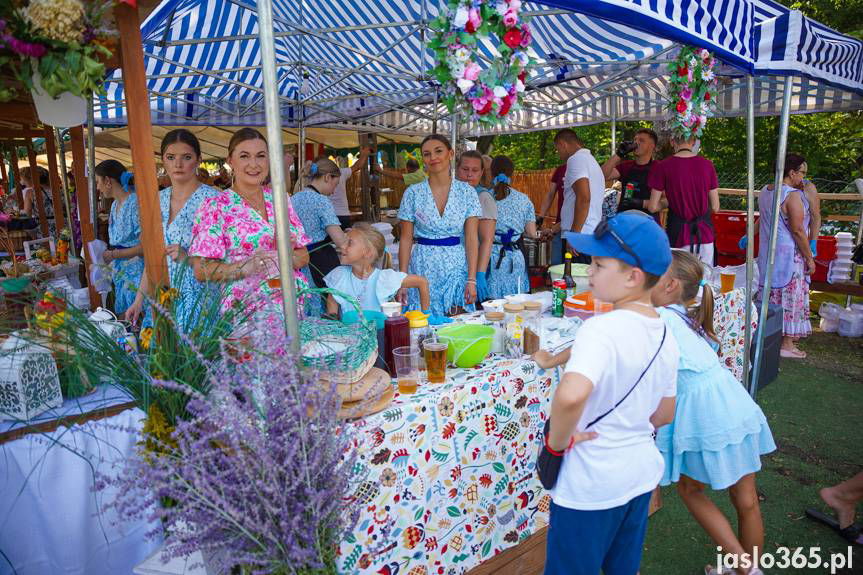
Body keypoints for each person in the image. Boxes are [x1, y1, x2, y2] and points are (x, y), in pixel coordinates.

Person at [532, 211, 679, 575]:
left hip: (591, 482)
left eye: (598, 264)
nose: (590, 271)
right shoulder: (665, 332)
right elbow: (664, 415)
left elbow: (570, 396)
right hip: (638, 474)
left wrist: (557, 442)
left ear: (633, 276)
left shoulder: (599, 330)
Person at [652, 250, 775, 575]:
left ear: (669, 285)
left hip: (709, 415)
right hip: (735, 406)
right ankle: (746, 569)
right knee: (746, 500)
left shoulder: (661, 318)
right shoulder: (682, 313)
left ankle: (746, 568)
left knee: (691, 490)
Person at [189, 128, 310, 323]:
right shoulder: (216, 206)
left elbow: (304, 255)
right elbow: (201, 270)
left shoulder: (280, 200)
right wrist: (244, 267)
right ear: (230, 161)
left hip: (290, 304)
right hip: (246, 310)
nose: (253, 164)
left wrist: (284, 257)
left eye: (260, 156)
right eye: (244, 156)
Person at [125, 129, 220, 328]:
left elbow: (226, 257)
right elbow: (153, 256)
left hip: (201, 299)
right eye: (171, 157)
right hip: (163, 296)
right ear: (163, 160)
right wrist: (139, 299)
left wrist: (189, 257)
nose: (178, 164)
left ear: (198, 160)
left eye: (186, 157)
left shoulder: (214, 199)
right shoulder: (157, 200)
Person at [397, 134, 481, 318]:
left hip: (456, 267)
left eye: (438, 151)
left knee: (456, 324)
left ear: (450, 154)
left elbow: (472, 238)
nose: (433, 157)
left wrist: (472, 279)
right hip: (422, 267)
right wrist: (402, 279)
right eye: (426, 154)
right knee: (422, 326)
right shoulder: (412, 193)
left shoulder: (467, 192)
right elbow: (405, 238)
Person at [754, 153, 815, 359]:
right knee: (790, 296)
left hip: (767, 253)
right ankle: (787, 343)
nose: (803, 178)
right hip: (788, 255)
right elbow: (798, 230)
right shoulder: (791, 195)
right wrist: (809, 257)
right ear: (791, 172)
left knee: (770, 294)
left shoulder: (765, 191)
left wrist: (749, 236)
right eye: (802, 173)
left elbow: (762, 219)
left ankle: (768, 336)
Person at [324, 223, 431, 316]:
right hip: (350, 338)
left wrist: (427, 316)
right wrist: (333, 322)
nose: (342, 246)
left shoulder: (384, 278)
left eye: (349, 243)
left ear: (367, 252)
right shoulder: (339, 276)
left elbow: (422, 282)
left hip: (381, 336)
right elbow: (332, 305)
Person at [646, 135, 720, 266]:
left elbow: (652, 207)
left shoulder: (663, 166)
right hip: (704, 234)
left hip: (678, 232)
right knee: (705, 280)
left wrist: (669, 201)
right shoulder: (707, 165)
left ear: (672, 141)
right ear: (693, 141)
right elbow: (715, 207)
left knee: (681, 281)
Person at [291, 156, 349, 293]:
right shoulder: (322, 201)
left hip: (297, 261)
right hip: (318, 261)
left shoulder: (294, 198)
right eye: (335, 185)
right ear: (327, 177)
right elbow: (340, 241)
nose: (334, 191)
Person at [485, 156, 539, 299]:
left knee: (493, 305)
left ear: (491, 173)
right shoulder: (524, 200)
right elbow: (532, 233)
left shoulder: (485, 198)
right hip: (515, 259)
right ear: (512, 173)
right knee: (516, 304)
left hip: (490, 257)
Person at [95, 160, 144, 316]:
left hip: (137, 274)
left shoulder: (134, 203)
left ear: (108, 181)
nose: (98, 187)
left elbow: (145, 246)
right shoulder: (116, 204)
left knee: (137, 318)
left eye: (98, 182)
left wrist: (114, 254)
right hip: (121, 272)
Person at [553, 129, 606, 263]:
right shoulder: (590, 161)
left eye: (557, 149)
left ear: (562, 144)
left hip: (580, 236)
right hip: (588, 234)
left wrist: (574, 235)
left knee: (576, 282)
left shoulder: (576, 160)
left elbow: (584, 199)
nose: (558, 154)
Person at [456, 150, 497, 301]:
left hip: (473, 265)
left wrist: (479, 274)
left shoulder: (483, 198)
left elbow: (487, 240)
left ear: (481, 173)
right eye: (465, 169)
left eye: (474, 171)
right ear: (457, 169)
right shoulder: (452, 194)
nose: (469, 175)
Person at [601, 129, 659, 217]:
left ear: (652, 146)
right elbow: (602, 175)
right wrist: (619, 154)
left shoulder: (659, 168)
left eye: (641, 140)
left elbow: (666, 199)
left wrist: (642, 203)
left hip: (647, 222)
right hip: (624, 219)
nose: (636, 143)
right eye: (635, 140)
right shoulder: (626, 166)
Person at [331, 148, 370, 228]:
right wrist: (364, 155)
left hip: (330, 215)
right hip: (342, 215)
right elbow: (358, 166)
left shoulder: (315, 178)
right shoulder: (341, 172)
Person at [538, 164, 567, 265]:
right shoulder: (561, 169)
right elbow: (550, 194)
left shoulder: (585, 168)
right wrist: (540, 217)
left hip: (578, 229)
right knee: (556, 264)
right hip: (559, 227)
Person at [21, 167, 55, 238]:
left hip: (44, 229)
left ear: (32, 179)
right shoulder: (58, 190)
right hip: (64, 228)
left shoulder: (30, 193)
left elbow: (27, 215)